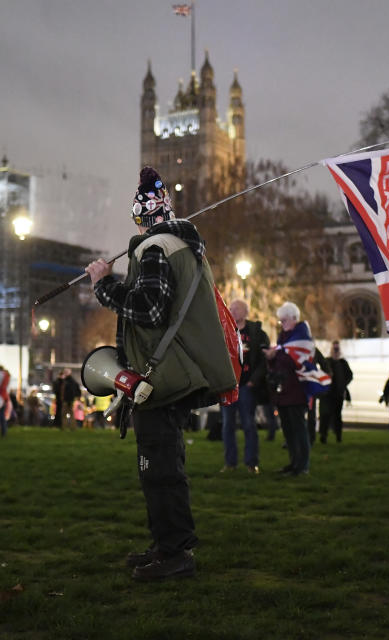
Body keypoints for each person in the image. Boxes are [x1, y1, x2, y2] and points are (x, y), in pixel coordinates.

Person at [84, 166, 236, 582]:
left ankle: (175, 553)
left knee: (160, 468)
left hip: (163, 376)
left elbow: (150, 310)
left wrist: (103, 285)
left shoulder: (156, 248)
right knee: (161, 464)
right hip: (174, 373)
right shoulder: (176, 245)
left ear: (141, 216)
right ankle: (165, 544)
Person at [219, 299, 268, 474]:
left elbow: (263, 361)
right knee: (227, 425)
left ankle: (251, 463)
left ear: (246, 312)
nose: (233, 311)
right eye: (230, 309)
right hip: (229, 386)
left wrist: (253, 381)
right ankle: (230, 463)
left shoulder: (255, 333)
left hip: (247, 386)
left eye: (237, 309)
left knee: (249, 424)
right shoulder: (224, 332)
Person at [264, 302, 313, 477]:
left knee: (299, 430)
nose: (282, 324)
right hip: (284, 391)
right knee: (288, 431)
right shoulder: (284, 338)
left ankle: (302, 465)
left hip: (297, 391)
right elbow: (280, 361)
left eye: (284, 320)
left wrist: (276, 354)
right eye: (281, 321)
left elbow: (295, 361)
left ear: (294, 318)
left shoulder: (302, 339)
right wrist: (272, 358)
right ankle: (294, 463)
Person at [318, 339, 353, 444]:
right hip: (328, 394)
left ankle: (338, 435)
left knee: (337, 416)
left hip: (337, 394)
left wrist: (342, 385)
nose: (336, 350)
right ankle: (324, 435)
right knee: (325, 415)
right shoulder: (327, 361)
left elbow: (349, 376)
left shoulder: (342, 363)